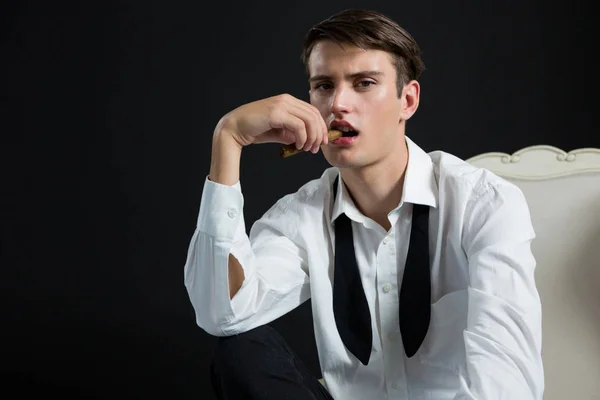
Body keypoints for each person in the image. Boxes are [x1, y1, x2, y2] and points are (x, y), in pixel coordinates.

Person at [183, 8, 544, 400]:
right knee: (240, 349)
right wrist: (229, 138)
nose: (338, 103)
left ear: (407, 100)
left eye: (364, 83)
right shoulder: (302, 216)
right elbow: (223, 315)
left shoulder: (483, 204)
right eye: (323, 86)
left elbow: (509, 383)